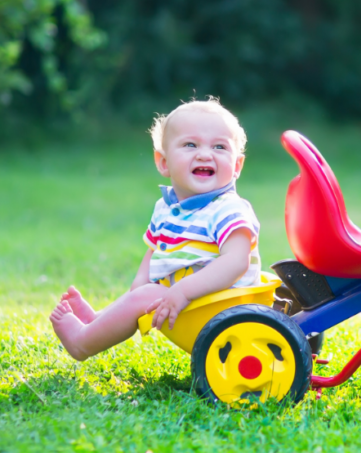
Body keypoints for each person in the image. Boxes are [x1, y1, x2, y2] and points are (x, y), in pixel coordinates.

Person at [50, 98, 260, 361]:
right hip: (188, 301)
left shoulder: (228, 209)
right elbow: (155, 250)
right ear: (163, 162)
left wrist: (181, 292)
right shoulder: (167, 207)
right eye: (190, 145)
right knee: (142, 294)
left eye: (219, 146)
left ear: (237, 166)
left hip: (219, 305)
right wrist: (138, 287)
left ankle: (83, 344)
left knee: (147, 295)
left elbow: (236, 261)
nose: (205, 154)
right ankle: (98, 321)